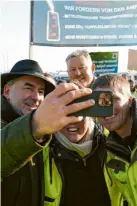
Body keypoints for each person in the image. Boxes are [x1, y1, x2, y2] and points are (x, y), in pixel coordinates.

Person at [1, 59, 95, 206]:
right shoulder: (37, 127)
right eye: (28, 88)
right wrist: (34, 126)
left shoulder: (46, 131)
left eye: (40, 91)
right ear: (7, 91)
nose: (36, 97)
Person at [92, 74, 137, 206]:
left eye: (114, 98)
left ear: (130, 101)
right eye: (99, 101)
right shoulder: (104, 147)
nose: (107, 107)